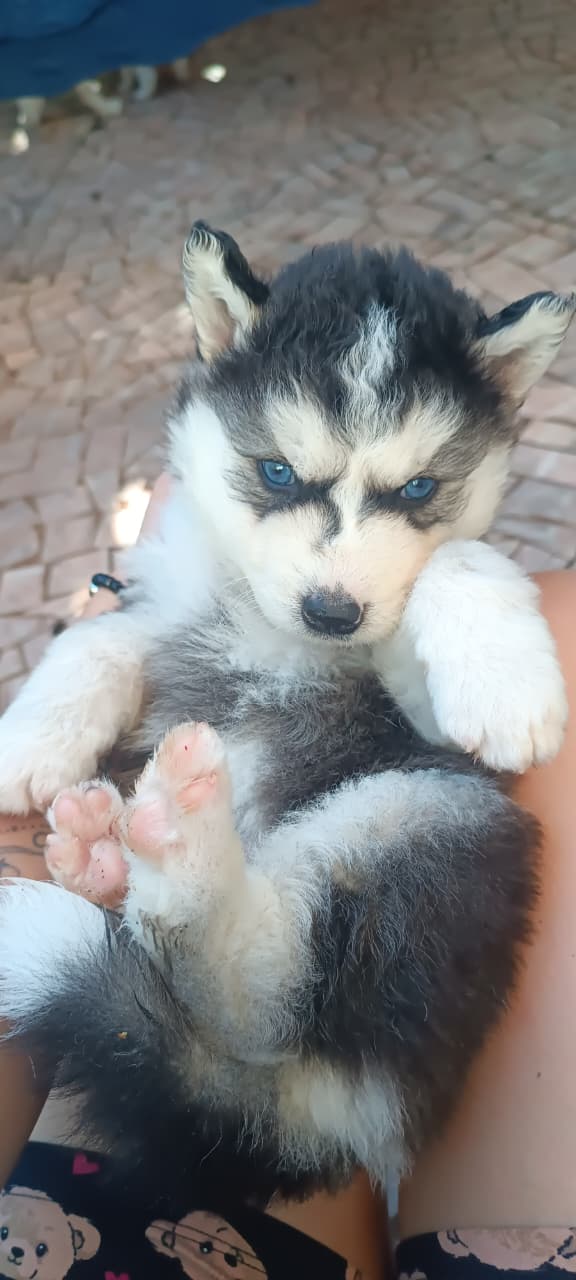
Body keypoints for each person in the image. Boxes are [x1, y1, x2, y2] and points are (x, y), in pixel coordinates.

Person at [0, 476, 573, 1280]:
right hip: (333, 1106)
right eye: (277, 476)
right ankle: (194, 925)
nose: (337, 564)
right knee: (550, 641)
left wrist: (113, 625)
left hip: (109, 1232)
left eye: (411, 488)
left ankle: (176, 916)